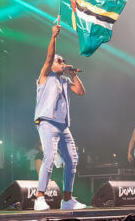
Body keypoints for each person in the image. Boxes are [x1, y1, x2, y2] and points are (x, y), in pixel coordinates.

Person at [33, 22, 86, 211]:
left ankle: (67, 199)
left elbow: (80, 91)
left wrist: (73, 74)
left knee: (72, 160)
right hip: (47, 123)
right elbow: (49, 57)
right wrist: (53, 36)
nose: (62, 63)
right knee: (49, 157)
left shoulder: (64, 80)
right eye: (60, 61)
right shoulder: (45, 76)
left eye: (63, 61)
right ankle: (40, 198)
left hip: (63, 126)